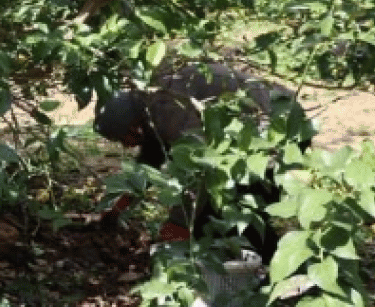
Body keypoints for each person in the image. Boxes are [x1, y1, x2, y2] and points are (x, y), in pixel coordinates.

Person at [94, 61, 312, 261]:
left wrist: (179, 224)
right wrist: (117, 207)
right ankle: (237, 270)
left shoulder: (167, 108)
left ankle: (274, 274)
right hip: (252, 129)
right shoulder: (146, 106)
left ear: (134, 126)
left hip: (280, 124)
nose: (125, 146)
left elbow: (199, 169)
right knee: (212, 217)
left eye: (124, 139)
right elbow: (150, 158)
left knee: (241, 209)